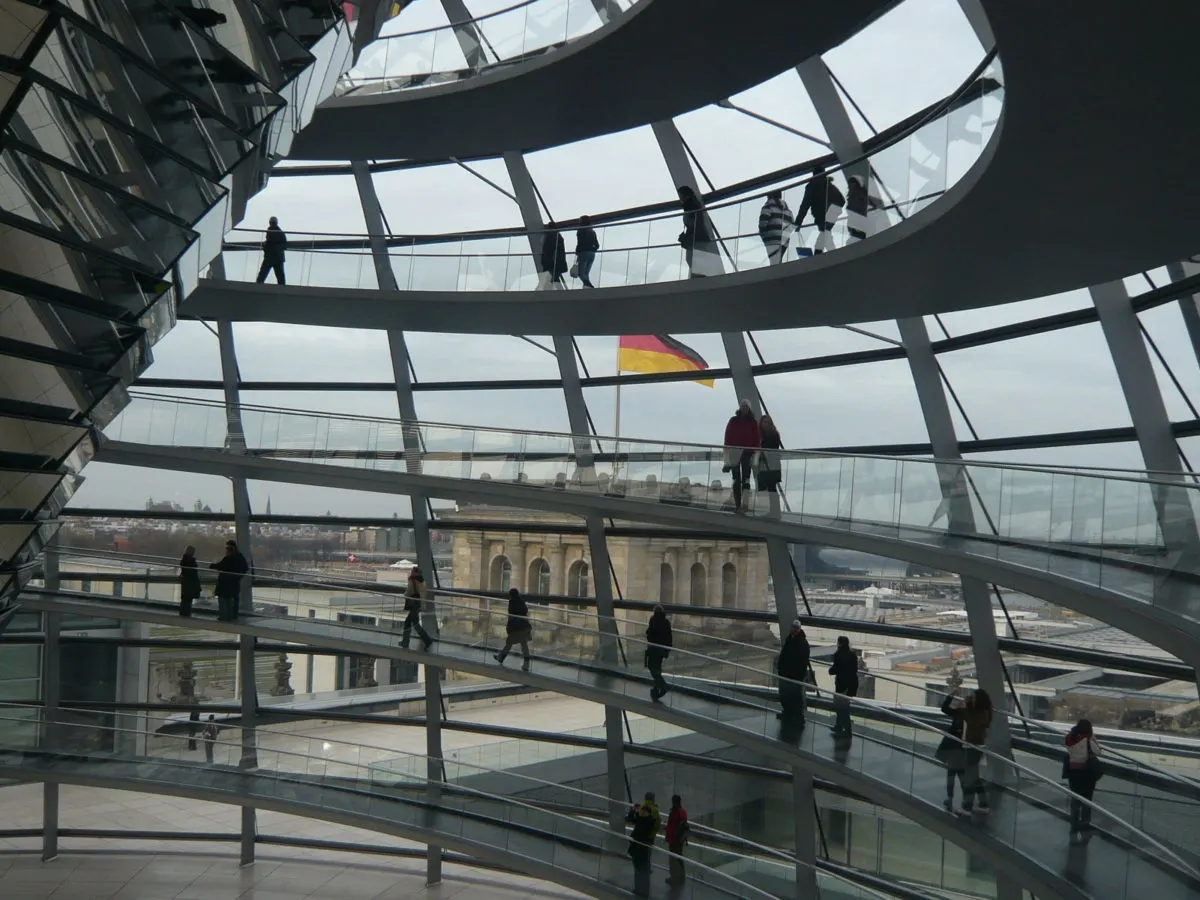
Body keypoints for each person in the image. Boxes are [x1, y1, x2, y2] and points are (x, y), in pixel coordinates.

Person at [938, 688, 992, 814]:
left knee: (970, 778)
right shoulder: (985, 713)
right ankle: (983, 804)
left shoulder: (970, 713)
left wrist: (951, 698)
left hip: (971, 747)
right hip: (978, 747)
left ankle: (967, 807)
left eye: (972, 697)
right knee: (974, 777)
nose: (969, 699)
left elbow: (946, 710)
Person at [1065, 718, 1103, 843]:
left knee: (1075, 799)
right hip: (1086, 773)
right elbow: (1098, 751)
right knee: (1087, 800)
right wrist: (1094, 739)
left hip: (1073, 772)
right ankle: (1085, 824)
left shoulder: (1070, 738)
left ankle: (1074, 824)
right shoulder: (1087, 740)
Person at [722, 399, 760, 513]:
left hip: (747, 454)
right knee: (736, 479)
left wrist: (755, 455)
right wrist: (727, 453)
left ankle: (745, 505)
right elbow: (727, 438)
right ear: (740, 407)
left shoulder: (752, 422)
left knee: (746, 480)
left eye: (746, 406)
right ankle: (738, 505)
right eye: (743, 406)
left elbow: (756, 440)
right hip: (735, 453)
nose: (744, 408)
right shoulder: (734, 421)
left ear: (749, 408)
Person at [795, 165, 844, 254]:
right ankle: (828, 255)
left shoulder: (812, 186)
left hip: (821, 216)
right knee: (825, 235)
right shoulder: (830, 185)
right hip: (831, 216)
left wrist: (798, 222)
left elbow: (805, 205)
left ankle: (828, 255)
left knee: (824, 236)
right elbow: (842, 200)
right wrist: (835, 210)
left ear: (814, 174)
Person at [677, 186, 718, 277]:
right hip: (697, 238)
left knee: (694, 259)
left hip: (697, 238)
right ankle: (700, 277)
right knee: (694, 259)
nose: (680, 199)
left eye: (681, 197)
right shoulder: (692, 206)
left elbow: (696, 223)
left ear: (685, 196)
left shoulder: (692, 207)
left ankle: (700, 277)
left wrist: (688, 235)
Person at [626, 791, 660, 896]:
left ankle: (640, 890)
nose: (641, 812)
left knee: (639, 869)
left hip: (639, 847)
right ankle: (643, 890)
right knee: (643, 867)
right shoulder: (652, 815)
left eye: (642, 811)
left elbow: (632, 820)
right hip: (645, 844)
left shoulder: (645, 821)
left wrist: (634, 811)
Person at [776, 619, 810, 721]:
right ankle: (790, 713)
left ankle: (796, 715)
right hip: (788, 673)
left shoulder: (799, 642)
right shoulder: (794, 640)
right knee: (788, 695)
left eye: (796, 628)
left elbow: (802, 661)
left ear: (799, 629)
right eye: (793, 627)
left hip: (794, 675)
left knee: (795, 696)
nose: (794, 630)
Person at [494, 587, 532, 671]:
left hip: (516, 628)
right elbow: (525, 610)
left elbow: (511, 614)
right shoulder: (521, 601)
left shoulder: (512, 602)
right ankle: (526, 664)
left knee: (509, 643)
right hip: (524, 626)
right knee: (524, 645)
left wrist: (509, 628)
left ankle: (501, 657)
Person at [210, 540, 249, 622]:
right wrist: (238, 576)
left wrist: (211, 565)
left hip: (225, 582)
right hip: (234, 582)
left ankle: (224, 617)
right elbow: (245, 568)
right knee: (233, 600)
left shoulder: (228, 558)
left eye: (227, 548)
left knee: (224, 600)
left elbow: (220, 566)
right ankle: (232, 616)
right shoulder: (240, 557)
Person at [828, 636, 859, 737]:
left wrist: (830, 671)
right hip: (851, 684)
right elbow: (854, 670)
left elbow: (835, 669)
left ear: (840, 643)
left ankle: (846, 730)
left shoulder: (838, 654)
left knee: (841, 707)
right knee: (844, 706)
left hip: (842, 684)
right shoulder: (853, 655)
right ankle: (840, 726)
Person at [400, 566, 434, 650]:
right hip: (419, 604)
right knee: (411, 623)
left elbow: (408, 592)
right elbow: (423, 594)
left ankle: (427, 640)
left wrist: (404, 595)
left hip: (413, 604)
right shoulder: (422, 581)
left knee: (413, 624)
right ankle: (405, 641)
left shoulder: (412, 580)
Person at [758, 190, 794, 264]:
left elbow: (762, 224)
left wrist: (764, 236)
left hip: (772, 240)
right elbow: (792, 225)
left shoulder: (768, 207)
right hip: (784, 241)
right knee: (777, 261)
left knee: (774, 263)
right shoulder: (788, 210)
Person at [645, 604, 673, 701]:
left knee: (652, 668)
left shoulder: (653, 620)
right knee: (657, 668)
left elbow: (650, 634)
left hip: (654, 649)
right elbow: (669, 636)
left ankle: (662, 686)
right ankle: (657, 689)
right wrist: (667, 649)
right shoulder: (666, 622)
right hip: (660, 650)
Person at [846, 174, 883, 242]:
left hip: (859, 219)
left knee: (859, 237)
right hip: (856, 219)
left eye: (851, 184)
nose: (850, 186)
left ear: (855, 184)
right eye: (850, 184)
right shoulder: (853, 194)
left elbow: (867, 203)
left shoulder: (859, 193)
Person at [664, 794, 689, 886]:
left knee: (674, 858)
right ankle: (680, 876)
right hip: (679, 839)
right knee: (679, 857)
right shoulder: (682, 811)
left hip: (674, 838)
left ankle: (675, 877)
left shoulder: (675, 811)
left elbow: (672, 824)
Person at [756, 414, 783, 494]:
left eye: (767, 422)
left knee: (768, 489)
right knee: (769, 488)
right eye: (764, 422)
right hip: (770, 466)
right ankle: (773, 505)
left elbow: (770, 448)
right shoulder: (773, 434)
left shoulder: (771, 435)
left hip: (768, 465)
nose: (765, 424)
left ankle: (771, 505)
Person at [255, 216, 287, 284]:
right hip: (278, 257)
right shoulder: (280, 232)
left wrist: (265, 245)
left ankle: (258, 285)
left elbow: (270, 242)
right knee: (280, 276)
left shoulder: (270, 230)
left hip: (270, 256)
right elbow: (284, 245)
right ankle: (282, 289)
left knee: (262, 274)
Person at [540, 222, 569, 289]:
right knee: (554, 277)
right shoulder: (558, 236)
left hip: (551, 261)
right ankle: (559, 292)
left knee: (551, 277)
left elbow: (548, 250)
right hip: (557, 261)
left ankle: (547, 292)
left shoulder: (550, 236)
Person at [574, 215, 599, 288]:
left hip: (583, 253)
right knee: (586, 273)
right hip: (592, 254)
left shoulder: (580, 230)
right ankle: (587, 287)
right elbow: (597, 245)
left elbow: (580, 242)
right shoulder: (592, 231)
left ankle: (589, 285)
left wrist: (577, 251)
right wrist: (592, 250)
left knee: (581, 273)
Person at [179, 545, 200, 617]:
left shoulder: (184, 559)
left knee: (185, 598)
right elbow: (193, 570)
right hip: (190, 581)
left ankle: (183, 612)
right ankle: (186, 613)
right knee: (188, 598)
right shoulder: (190, 560)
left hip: (186, 581)